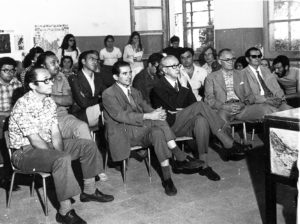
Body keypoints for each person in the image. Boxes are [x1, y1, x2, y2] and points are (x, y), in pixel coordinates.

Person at [8, 67, 114, 224]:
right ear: (32, 85)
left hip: (46, 144)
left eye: (50, 79)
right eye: (46, 80)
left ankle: (89, 190)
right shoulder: (22, 105)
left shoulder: (49, 101)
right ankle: (65, 212)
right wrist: (59, 156)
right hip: (24, 153)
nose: (51, 83)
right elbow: (35, 140)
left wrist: (59, 152)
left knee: (87, 145)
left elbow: (55, 132)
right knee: (61, 158)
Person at [102, 61, 204, 196]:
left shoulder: (134, 91)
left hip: (140, 130)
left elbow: (145, 106)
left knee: (158, 132)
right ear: (116, 77)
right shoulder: (108, 94)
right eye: (124, 74)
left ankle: (167, 179)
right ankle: (178, 155)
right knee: (157, 122)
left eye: (130, 72)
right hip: (124, 133)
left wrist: (156, 112)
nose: (129, 76)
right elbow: (121, 116)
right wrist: (150, 115)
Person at [151, 56, 252, 179]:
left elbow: (191, 104)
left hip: (185, 123)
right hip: (171, 128)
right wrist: (183, 91)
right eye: (173, 66)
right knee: (200, 105)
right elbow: (176, 106)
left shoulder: (183, 82)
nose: (177, 68)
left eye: (178, 65)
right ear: (164, 70)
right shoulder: (158, 86)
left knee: (201, 120)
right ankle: (226, 140)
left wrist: (184, 108)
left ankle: (205, 166)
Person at [204, 48, 276, 123]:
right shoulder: (211, 77)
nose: (231, 62)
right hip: (223, 109)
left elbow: (250, 96)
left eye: (232, 59)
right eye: (227, 60)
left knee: (268, 110)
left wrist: (243, 104)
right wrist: (223, 106)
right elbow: (209, 100)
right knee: (220, 121)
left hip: (242, 108)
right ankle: (225, 134)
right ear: (220, 61)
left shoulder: (241, 74)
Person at [242, 47, 292, 111]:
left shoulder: (266, 70)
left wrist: (281, 99)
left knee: (291, 111)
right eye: (254, 56)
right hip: (258, 103)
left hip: (274, 100)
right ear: (247, 59)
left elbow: (276, 88)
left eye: (259, 56)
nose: (257, 58)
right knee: (275, 112)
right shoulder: (243, 74)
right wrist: (266, 100)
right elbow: (248, 96)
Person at [0, 57, 23, 191]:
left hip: (13, 117)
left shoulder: (17, 84)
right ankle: (5, 176)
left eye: (12, 70)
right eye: (5, 70)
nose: (9, 73)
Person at [69, 50, 107, 127]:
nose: (95, 62)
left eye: (97, 60)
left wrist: (90, 98)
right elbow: (83, 103)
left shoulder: (98, 77)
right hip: (80, 114)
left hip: (96, 112)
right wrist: (98, 99)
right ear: (83, 61)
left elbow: (107, 95)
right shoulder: (74, 78)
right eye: (92, 59)